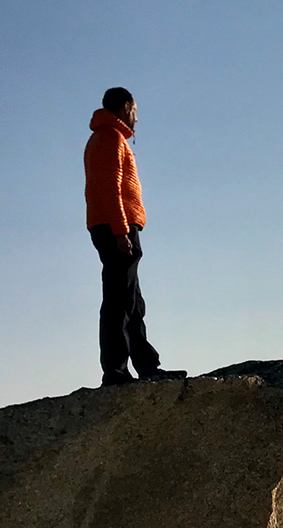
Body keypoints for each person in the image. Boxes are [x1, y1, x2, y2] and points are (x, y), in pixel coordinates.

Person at [85, 87, 185, 386]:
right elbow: (109, 188)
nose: (136, 120)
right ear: (126, 105)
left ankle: (146, 366)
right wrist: (121, 231)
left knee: (131, 301)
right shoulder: (109, 138)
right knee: (119, 301)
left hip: (118, 226)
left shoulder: (106, 137)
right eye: (135, 111)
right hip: (116, 227)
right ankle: (115, 372)